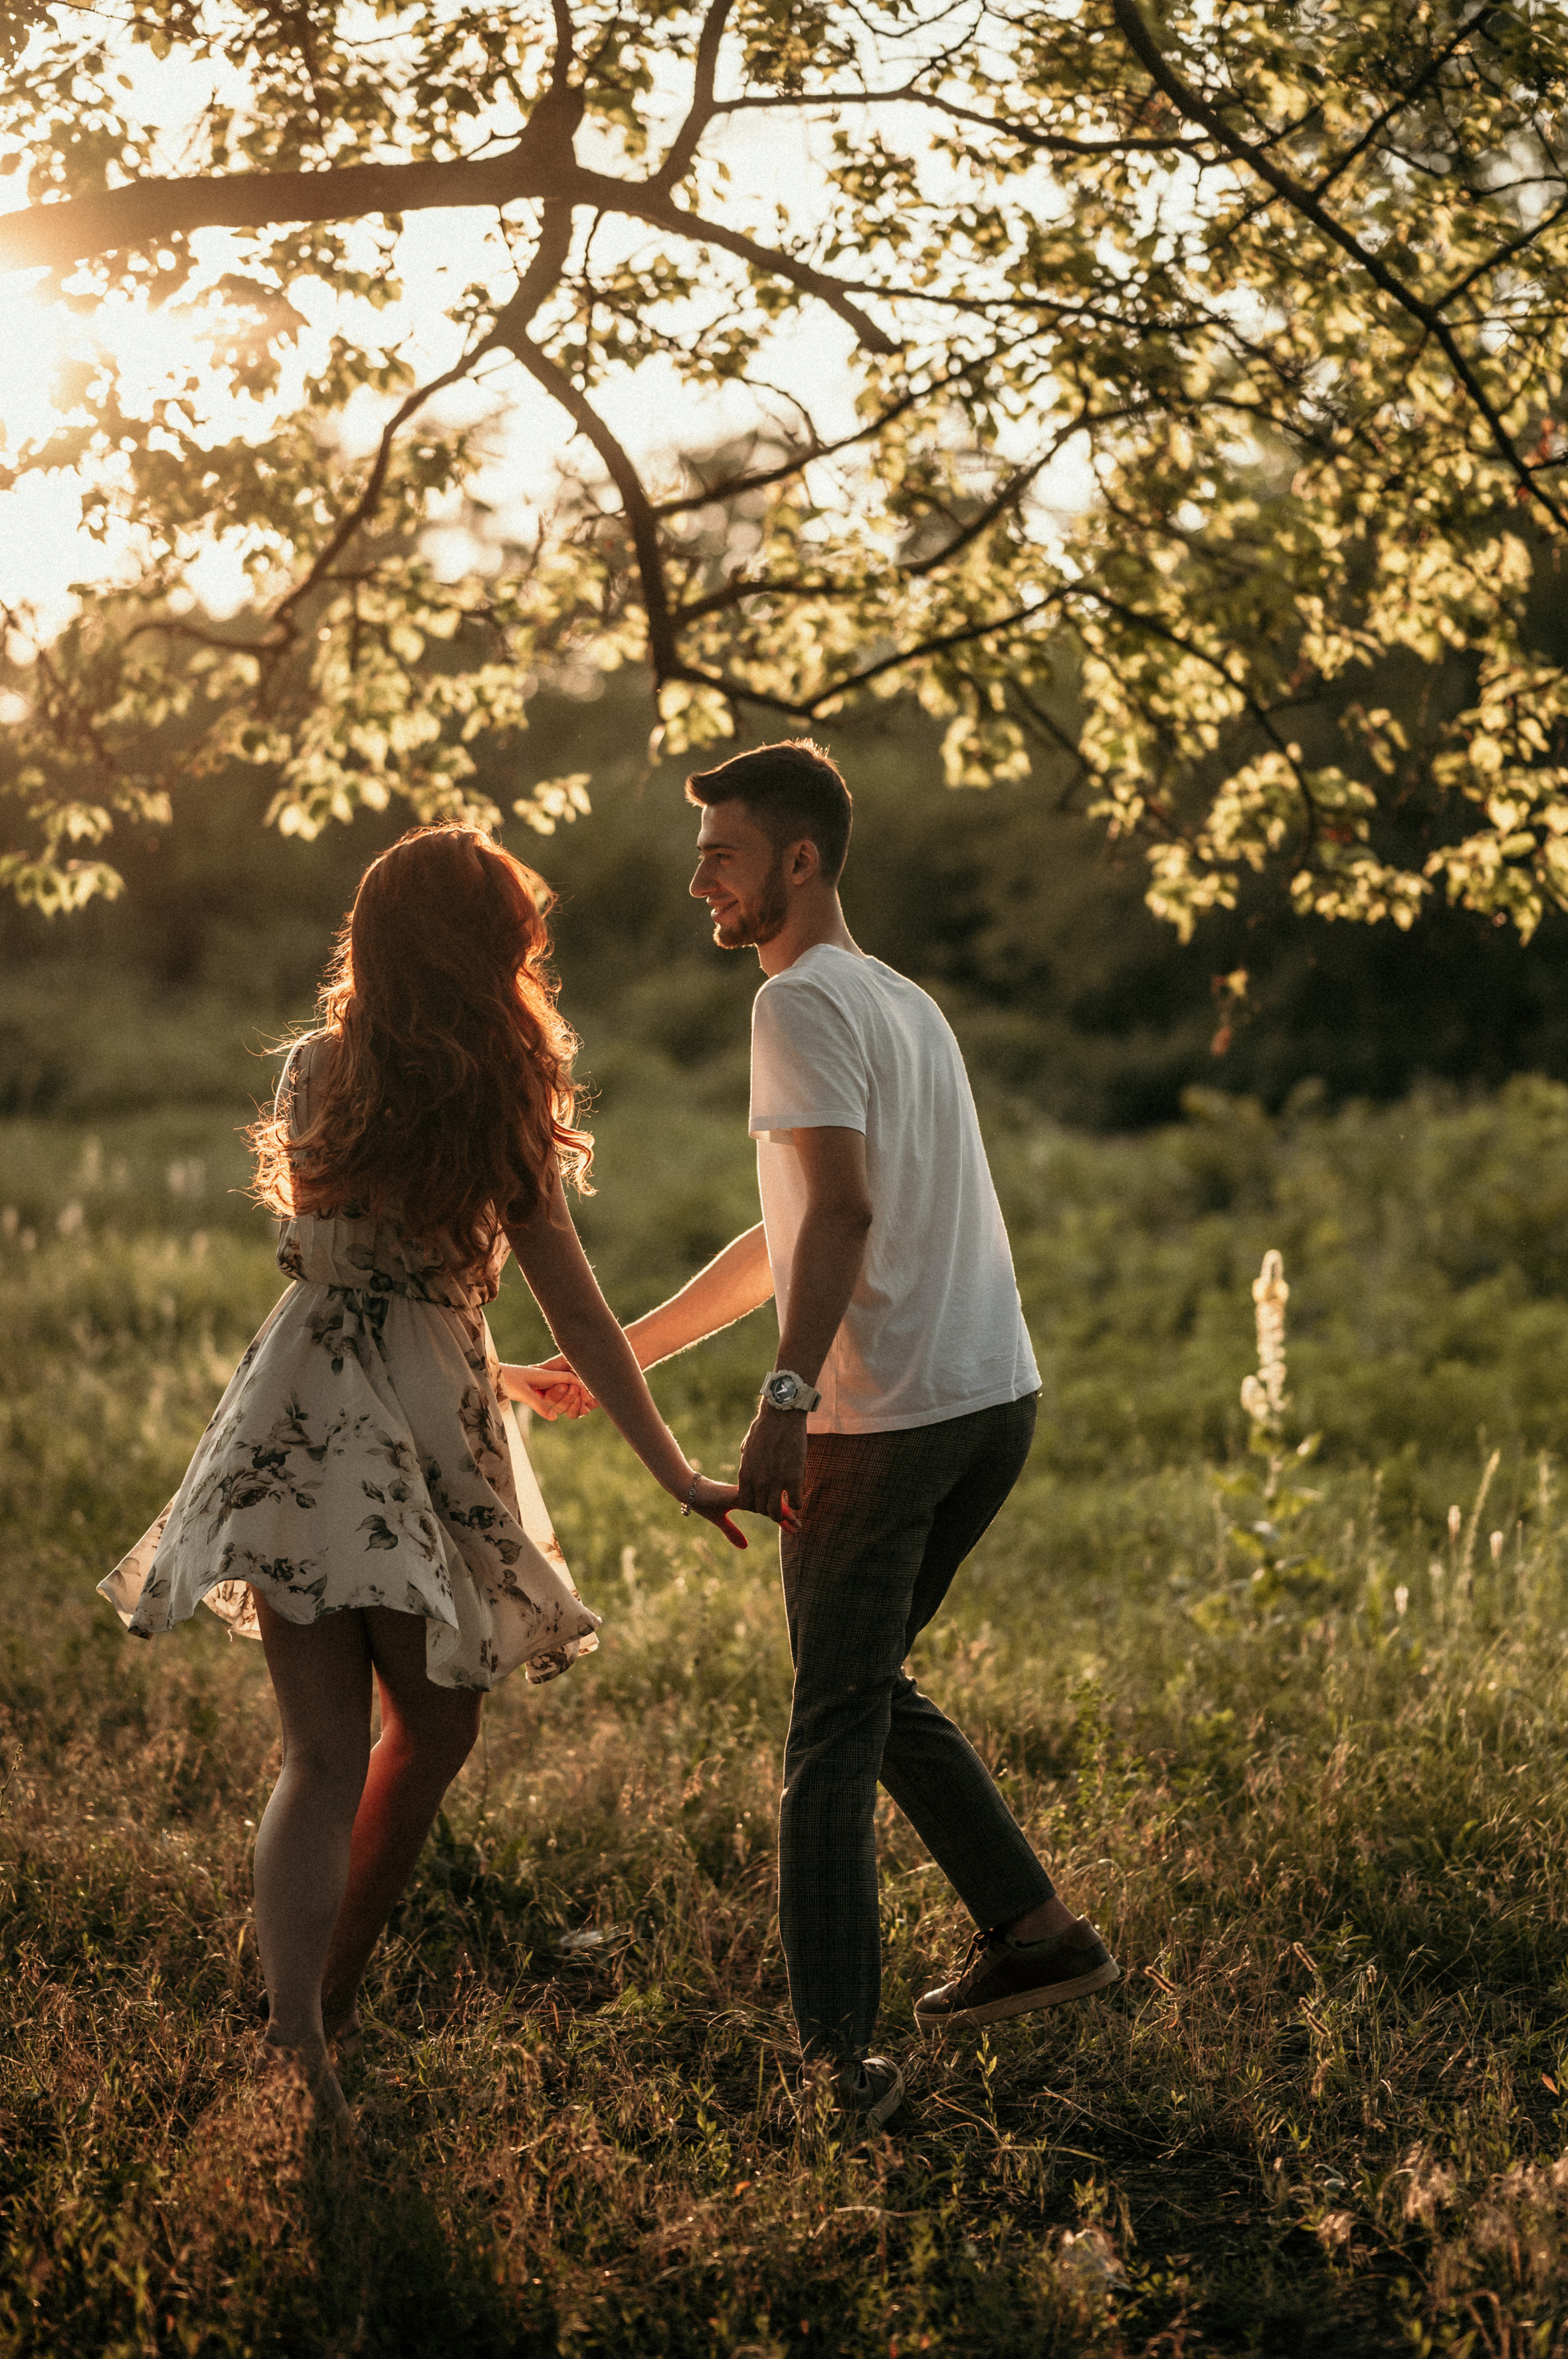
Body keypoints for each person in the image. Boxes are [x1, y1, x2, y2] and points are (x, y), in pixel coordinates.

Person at [100, 826, 763, 2130]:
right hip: (417, 1417)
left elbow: (333, 1240)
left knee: (320, 1751)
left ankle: (300, 2028)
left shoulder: (311, 1072)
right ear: (490, 952)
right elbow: (575, 1313)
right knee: (435, 1725)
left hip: (293, 1399)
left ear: (376, 941)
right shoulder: (497, 1100)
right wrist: (674, 1467)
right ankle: (315, 2014)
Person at [556, 742, 1118, 2128]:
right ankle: (1035, 1934)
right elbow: (793, 1227)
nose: (700, 881)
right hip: (993, 1401)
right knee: (861, 1689)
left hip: (887, 1420)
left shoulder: (798, 1003)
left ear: (796, 861)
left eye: (722, 855)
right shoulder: (901, 1002)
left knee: (827, 1727)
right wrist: (619, 1357)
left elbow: (846, 1220)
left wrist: (786, 1399)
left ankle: (833, 2060)